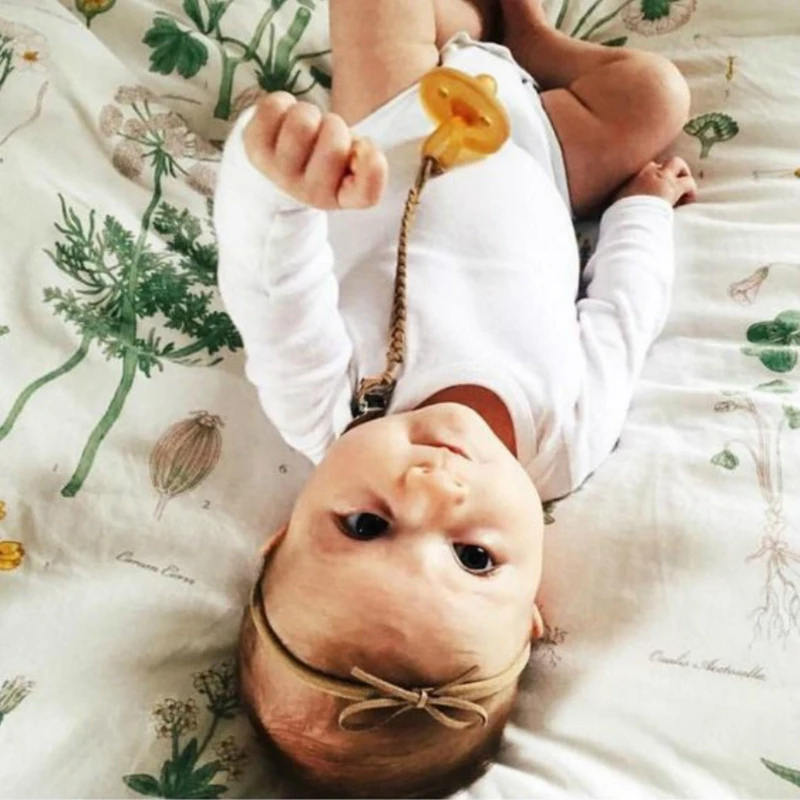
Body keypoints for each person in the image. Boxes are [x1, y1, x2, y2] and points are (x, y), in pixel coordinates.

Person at [214, 0, 697, 795]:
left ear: (280, 535)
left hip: (394, 123)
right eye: (474, 558)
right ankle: (532, 43)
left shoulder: (327, 406)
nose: (432, 488)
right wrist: (641, 210)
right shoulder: (567, 444)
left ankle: (480, 26)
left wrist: (280, 185)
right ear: (533, 611)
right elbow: (624, 316)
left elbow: (270, 282)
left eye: (366, 525)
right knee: (656, 94)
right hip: (544, 160)